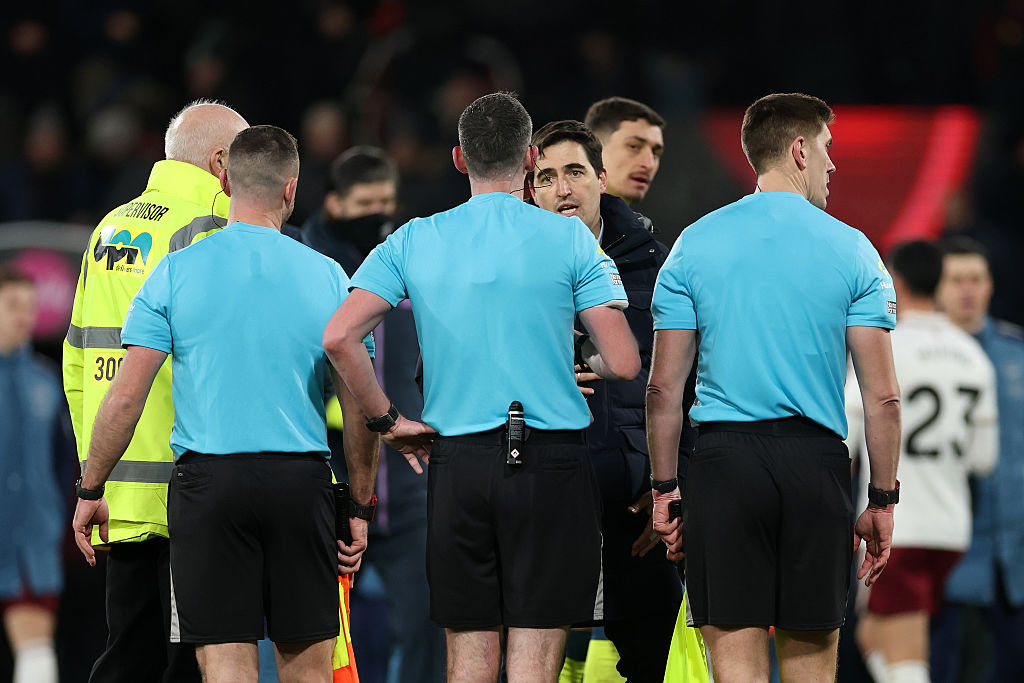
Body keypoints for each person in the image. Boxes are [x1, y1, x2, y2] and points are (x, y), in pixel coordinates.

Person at [323, 92, 641, 683]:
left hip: (458, 465)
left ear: (458, 159)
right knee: (535, 661)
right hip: (551, 466)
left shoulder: (415, 238)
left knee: (468, 657)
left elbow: (341, 337)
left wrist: (388, 422)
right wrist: (568, 353)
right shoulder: (570, 239)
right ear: (530, 157)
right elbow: (622, 362)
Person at [70, 125, 378, 683]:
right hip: (299, 485)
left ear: (226, 180)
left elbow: (125, 398)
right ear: (291, 190)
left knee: (224, 667)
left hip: (208, 490)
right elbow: (360, 404)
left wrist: (92, 487)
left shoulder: (174, 273)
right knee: (307, 668)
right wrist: (358, 504)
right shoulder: (329, 276)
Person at [645, 92, 902, 683]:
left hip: (724, 466)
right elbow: (883, 398)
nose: (833, 167)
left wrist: (665, 489)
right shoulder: (854, 248)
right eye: (829, 151)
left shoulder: (694, 243)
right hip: (814, 468)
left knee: (735, 670)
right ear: (799, 150)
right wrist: (882, 500)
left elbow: (663, 389)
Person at [62, 99, 247, 683]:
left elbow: (76, 357)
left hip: (121, 490)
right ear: (221, 163)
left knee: (129, 654)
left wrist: (96, 467)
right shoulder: (208, 230)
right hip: (187, 490)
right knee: (189, 663)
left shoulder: (108, 228)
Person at [285, 146, 445, 683]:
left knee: (426, 629)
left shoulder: (409, 263)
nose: (378, 213)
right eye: (364, 202)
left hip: (408, 487)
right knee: (322, 636)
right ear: (334, 202)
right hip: (328, 480)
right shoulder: (304, 267)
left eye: (386, 201)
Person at [530, 119, 681, 682]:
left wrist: (668, 485)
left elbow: (689, 384)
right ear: (530, 189)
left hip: (633, 507)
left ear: (601, 178)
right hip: (536, 496)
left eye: (574, 172)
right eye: (546, 177)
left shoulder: (653, 263)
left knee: (648, 660)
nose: (562, 188)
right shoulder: (503, 268)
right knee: (531, 660)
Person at [847, 240, 998, 683]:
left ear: (894, 280)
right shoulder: (973, 355)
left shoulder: (886, 345)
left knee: (905, 653)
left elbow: (847, 433)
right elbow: (983, 458)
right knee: (874, 635)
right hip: (952, 529)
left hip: (898, 524)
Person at [931, 237, 1024, 683]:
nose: (967, 290)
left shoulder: (1017, 354)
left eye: (976, 279)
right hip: (944, 551)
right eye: (956, 280)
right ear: (938, 288)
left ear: (990, 286)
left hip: (1014, 556)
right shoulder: (912, 357)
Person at [0, 269, 63, 683]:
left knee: (37, 658)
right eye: (11, 305)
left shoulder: (47, 381)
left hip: (32, 545)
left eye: (29, 305)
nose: (24, 316)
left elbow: (63, 463)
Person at [584, 97, 665, 205]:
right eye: (634, 146)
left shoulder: (636, 221)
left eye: (655, 153)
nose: (649, 164)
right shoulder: (558, 218)